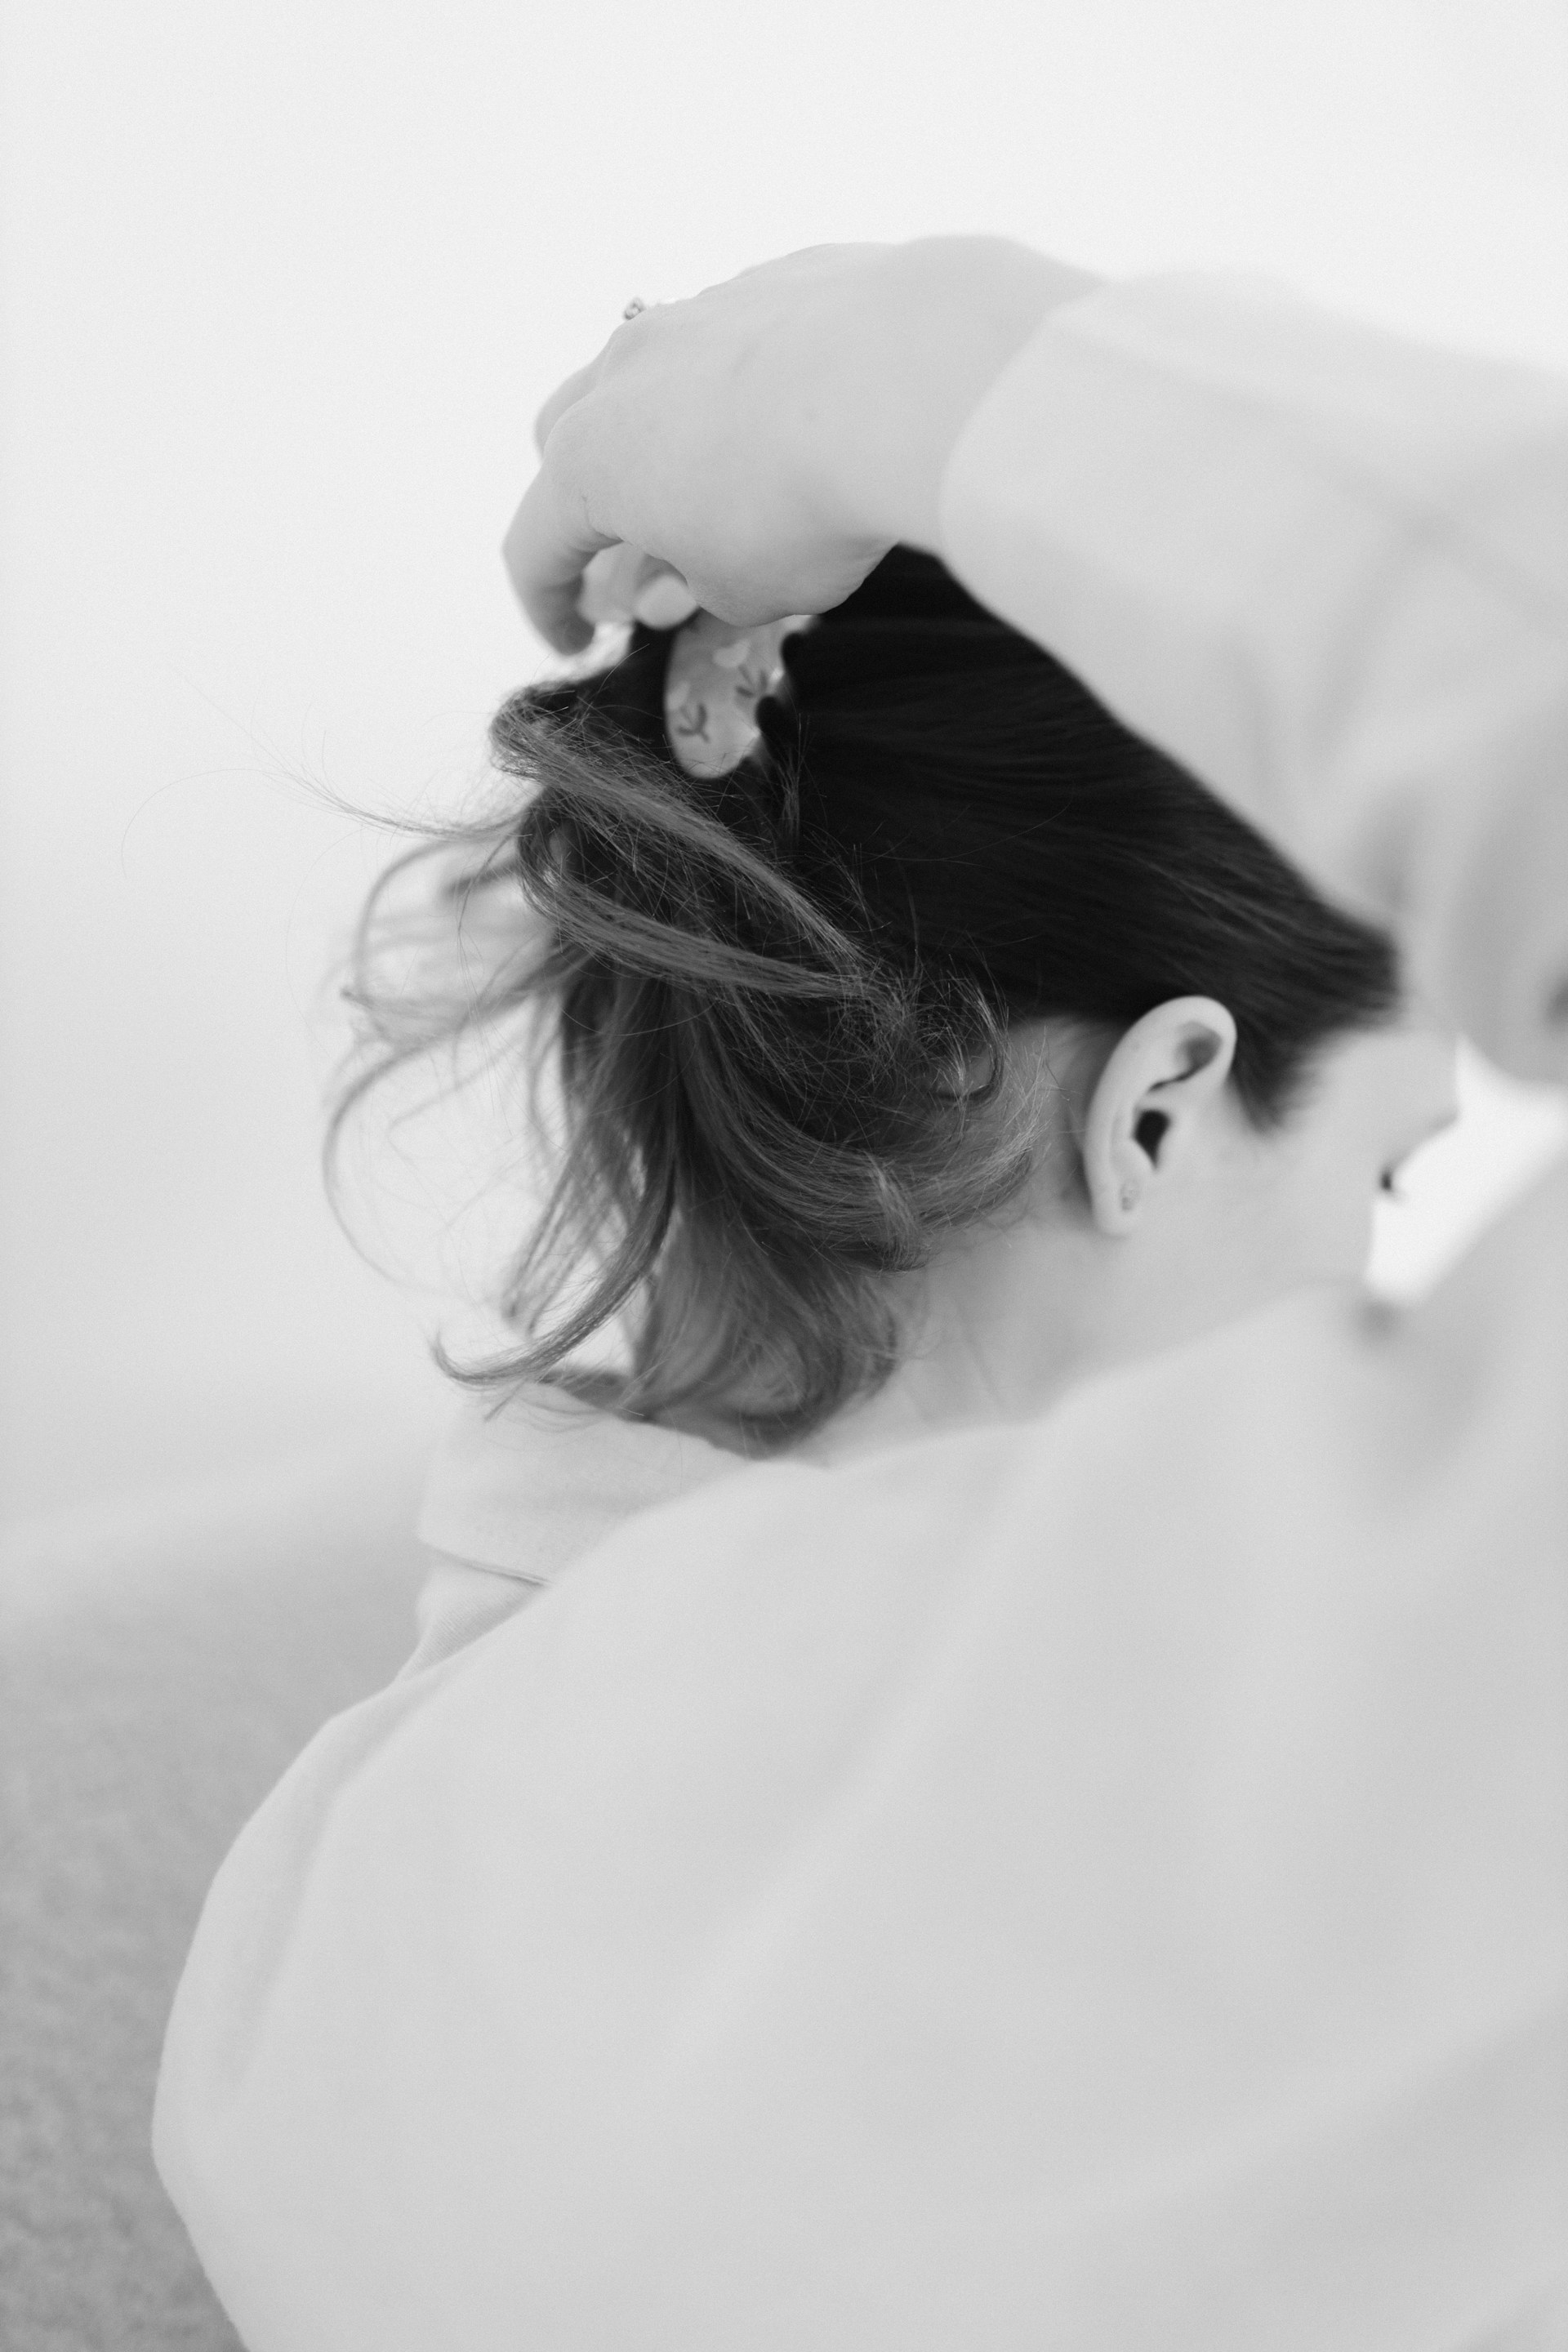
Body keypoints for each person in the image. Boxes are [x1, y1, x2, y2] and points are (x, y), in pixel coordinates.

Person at [153, 237, 1567, 2349]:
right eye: (1384, 1169)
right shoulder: (1300, 1728)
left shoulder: (320, 1928)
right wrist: (937, 357)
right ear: (1161, 1109)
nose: (1383, 1278)